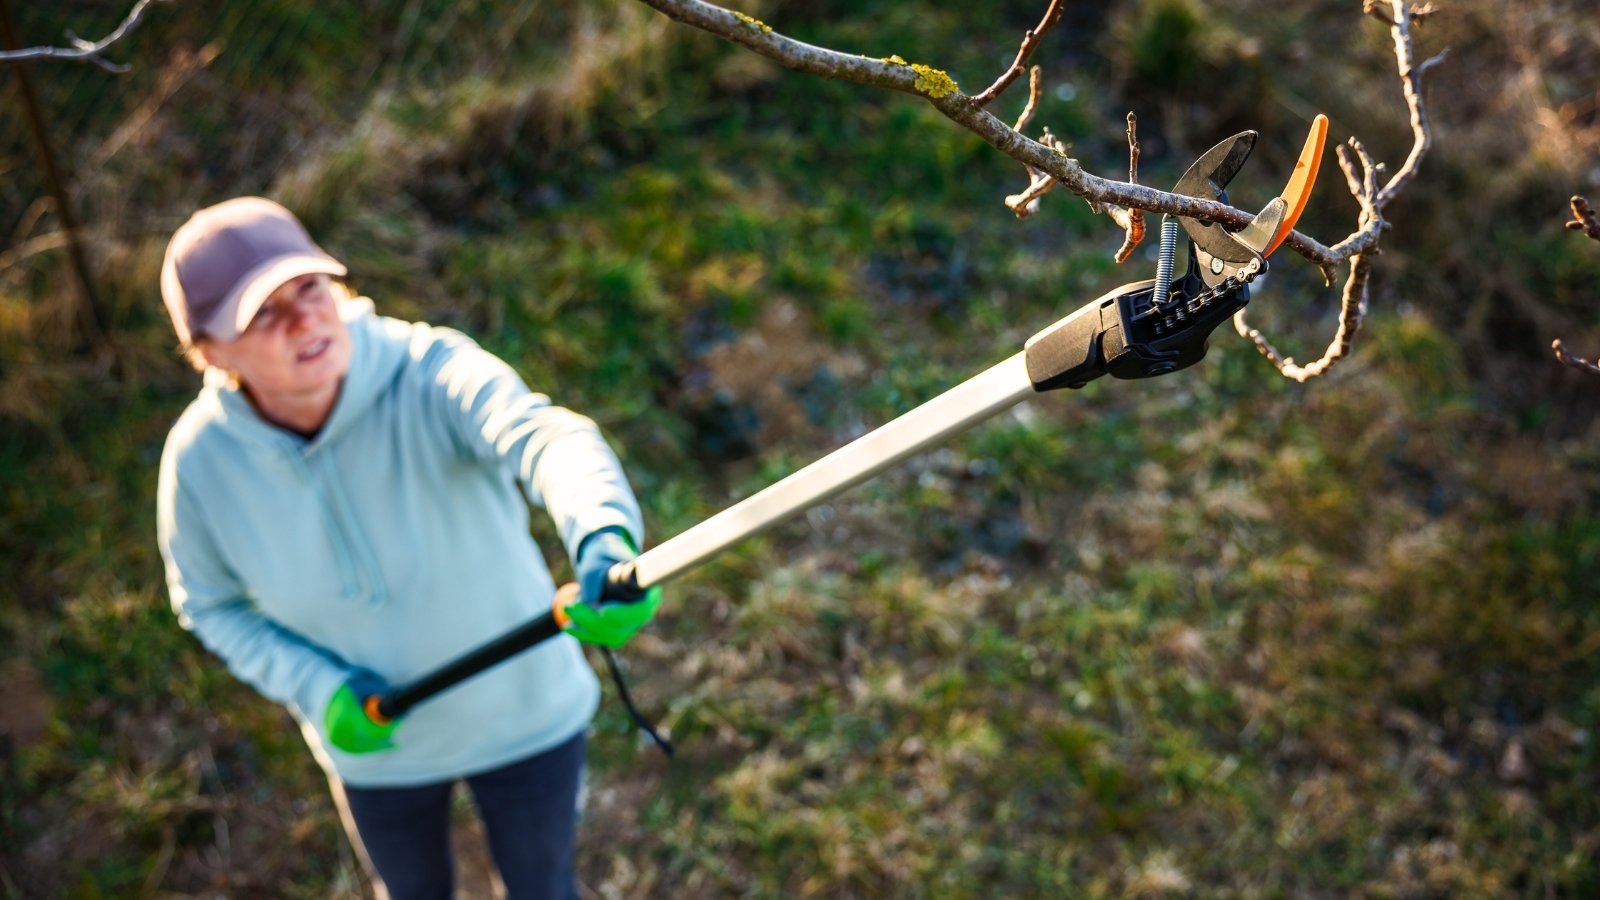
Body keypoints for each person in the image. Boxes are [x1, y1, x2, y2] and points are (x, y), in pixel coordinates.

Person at [155, 196, 661, 900]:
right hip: (378, 751)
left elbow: (548, 438)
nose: (305, 320)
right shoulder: (200, 465)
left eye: (310, 287)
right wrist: (315, 686)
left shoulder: (428, 369)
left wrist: (604, 534)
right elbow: (209, 606)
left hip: (527, 717)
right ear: (208, 351)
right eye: (263, 313)